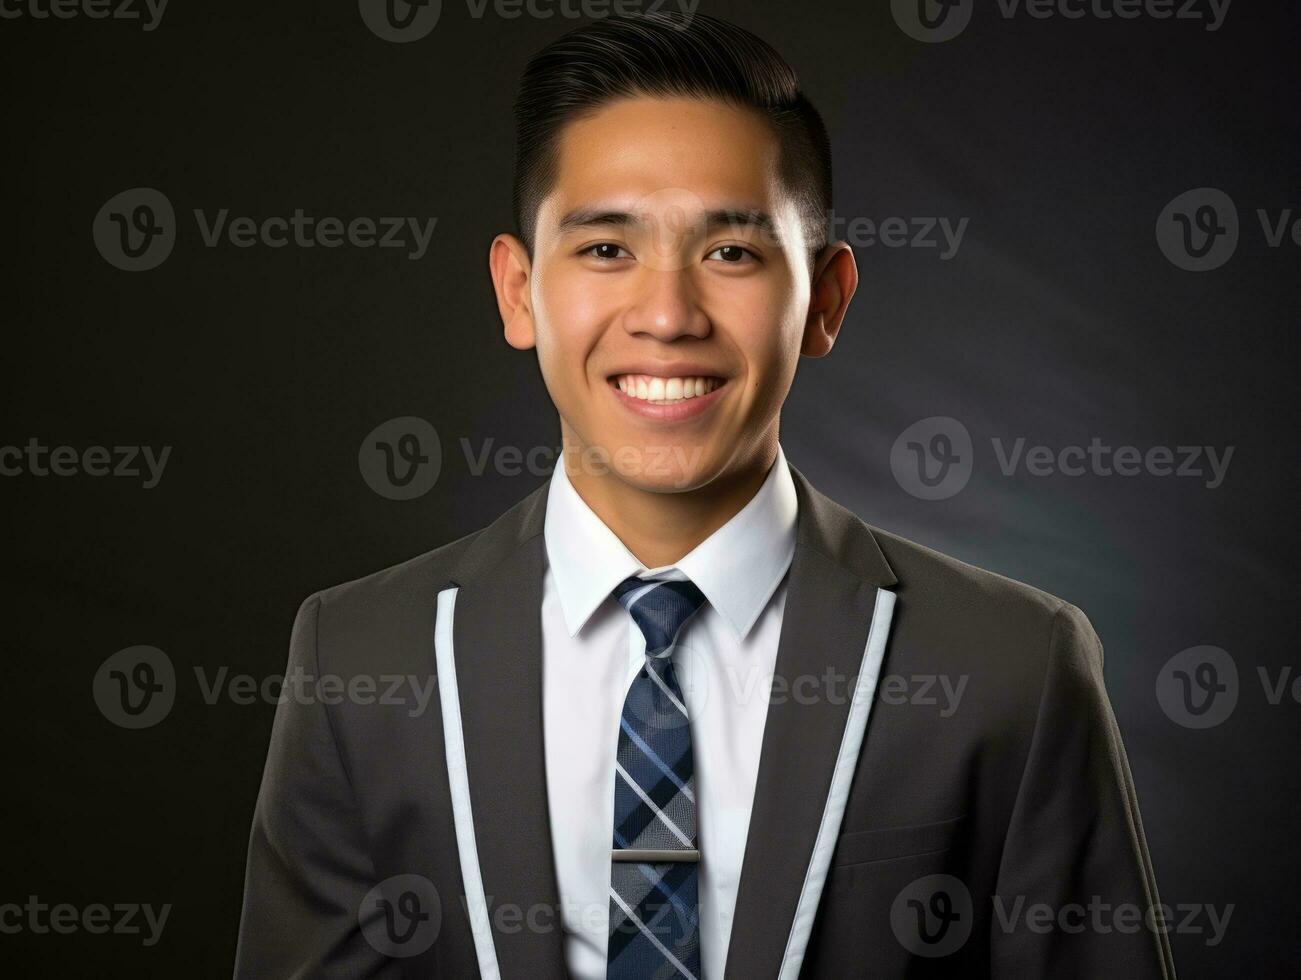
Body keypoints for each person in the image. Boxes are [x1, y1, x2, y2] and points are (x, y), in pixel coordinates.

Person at [234, 13, 1175, 979]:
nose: (668, 315)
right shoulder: (358, 657)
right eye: (606, 249)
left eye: (731, 253)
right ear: (519, 293)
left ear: (825, 301)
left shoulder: (1010, 664)